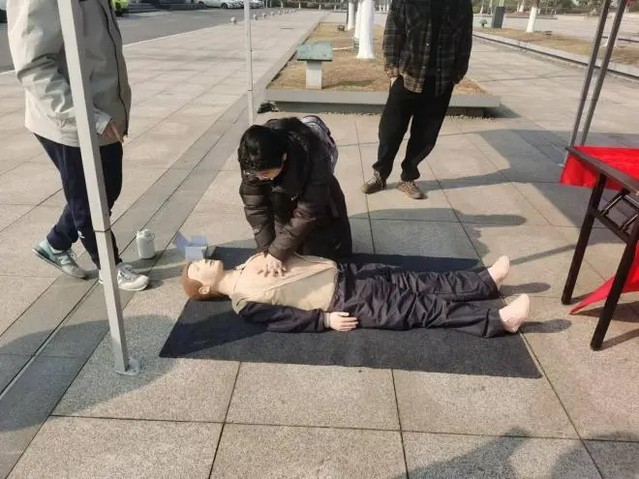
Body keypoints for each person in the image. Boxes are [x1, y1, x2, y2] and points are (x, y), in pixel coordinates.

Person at [7, 0, 149, 291]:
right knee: (90, 198)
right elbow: (34, 67)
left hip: (103, 113)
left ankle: (56, 243)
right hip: (69, 120)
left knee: (108, 187)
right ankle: (109, 265)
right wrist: (89, 117)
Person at [181, 254, 530, 337]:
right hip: (343, 300)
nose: (202, 262)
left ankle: (484, 283)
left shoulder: (246, 263)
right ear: (205, 289)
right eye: (197, 269)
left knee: (420, 281)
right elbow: (282, 319)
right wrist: (323, 321)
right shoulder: (243, 303)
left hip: (347, 274)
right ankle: (497, 322)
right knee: (420, 308)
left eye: (197, 261)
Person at [362, 0, 474, 200]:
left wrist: (458, 73)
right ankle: (380, 174)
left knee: (425, 135)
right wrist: (392, 68)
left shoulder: (462, 4)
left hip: (440, 80)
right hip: (408, 74)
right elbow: (393, 31)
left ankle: (408, 178)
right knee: (390, 130)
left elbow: (465, 39)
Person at [238, 117, 352, 277]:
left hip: (321, 202)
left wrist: (277, 252)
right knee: (283, 254)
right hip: (281, 200)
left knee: (325, 260)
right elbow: (256, 208)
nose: (260, 178)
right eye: (256, 174)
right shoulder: (253, 157)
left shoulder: (314, 152)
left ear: (283, 157)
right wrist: (268, 250)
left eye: (266, 173)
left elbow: (309, 211)